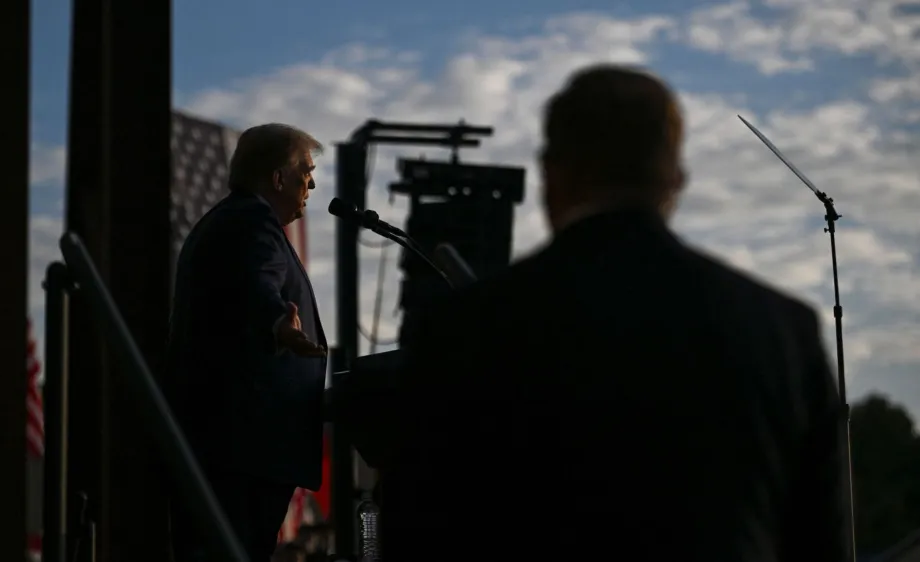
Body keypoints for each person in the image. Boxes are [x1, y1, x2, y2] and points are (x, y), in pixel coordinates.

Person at [379, 65, 851, 562]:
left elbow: (416, 537)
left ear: (550, 174)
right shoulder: (785, 332)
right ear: (675, 178)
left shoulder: (461, 329)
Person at [166, 123, 328, 562]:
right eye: (306, 172)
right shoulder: (250, 222)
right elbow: (257, 281)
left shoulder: (230, 221)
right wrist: (279, 323)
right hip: (243, 450)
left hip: (231, 447)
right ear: (278, 178)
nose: (312, 185)